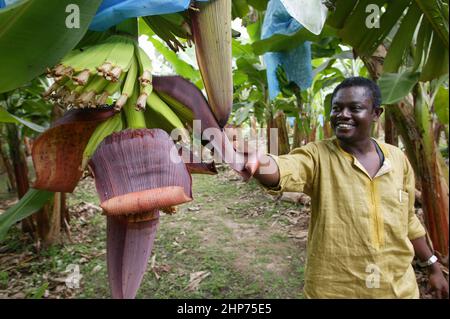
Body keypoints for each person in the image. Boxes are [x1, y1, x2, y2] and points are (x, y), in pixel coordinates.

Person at [243, 77, 449, 298]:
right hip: (335, 290)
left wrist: (433, 266)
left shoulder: (398, 160)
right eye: (337, 108)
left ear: (376, 114)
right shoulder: (317, 155)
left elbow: (408, 220)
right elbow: (284, 168)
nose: (343, 114)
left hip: (398, 289)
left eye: (355, 108)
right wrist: (259, 162)